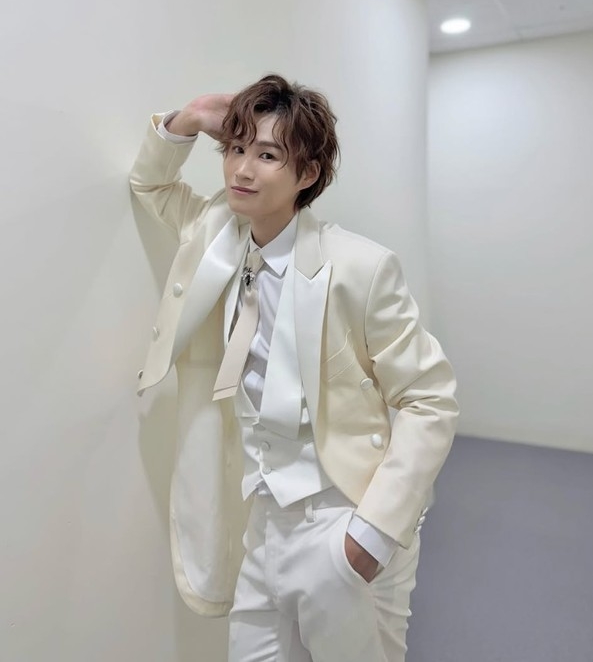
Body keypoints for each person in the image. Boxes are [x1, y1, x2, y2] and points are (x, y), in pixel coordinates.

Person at [130, 74, 458, 662]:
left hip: (342, 516)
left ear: (307, 173)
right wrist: (194, 116)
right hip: (260, 522)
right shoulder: (216, 236)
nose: (241, 170)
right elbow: (149, 183)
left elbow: (429, 398)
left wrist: (370, 535)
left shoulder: (361, 267)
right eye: (235, 149)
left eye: (266, 155)